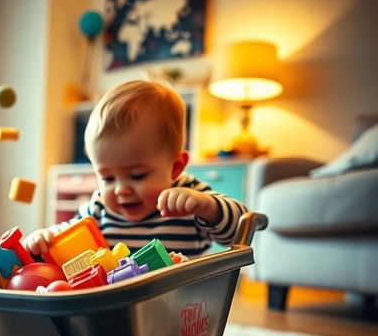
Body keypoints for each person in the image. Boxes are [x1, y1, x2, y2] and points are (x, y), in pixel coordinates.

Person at [23, 79, 247, 258]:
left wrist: (207, 207)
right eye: (108, 178)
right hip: (119, 306)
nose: (120, 190)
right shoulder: (100, 206)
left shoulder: (190, 196)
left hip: (184, 308)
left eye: (137, 176)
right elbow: (70, 232)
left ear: (175, 167)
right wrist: (47, 236)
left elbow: (240, 229)